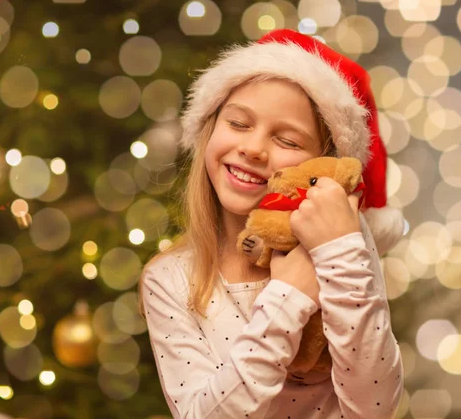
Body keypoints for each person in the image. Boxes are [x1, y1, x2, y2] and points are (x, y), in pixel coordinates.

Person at [139, 29, 405, 419]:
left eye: (288, 141)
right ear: (210, 128)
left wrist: (340, 252)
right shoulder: (171, 279)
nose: (252, 148)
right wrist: (288, 296)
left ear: (324, 163)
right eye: (239, 123)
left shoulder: (345, 245)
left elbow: (373, 407)